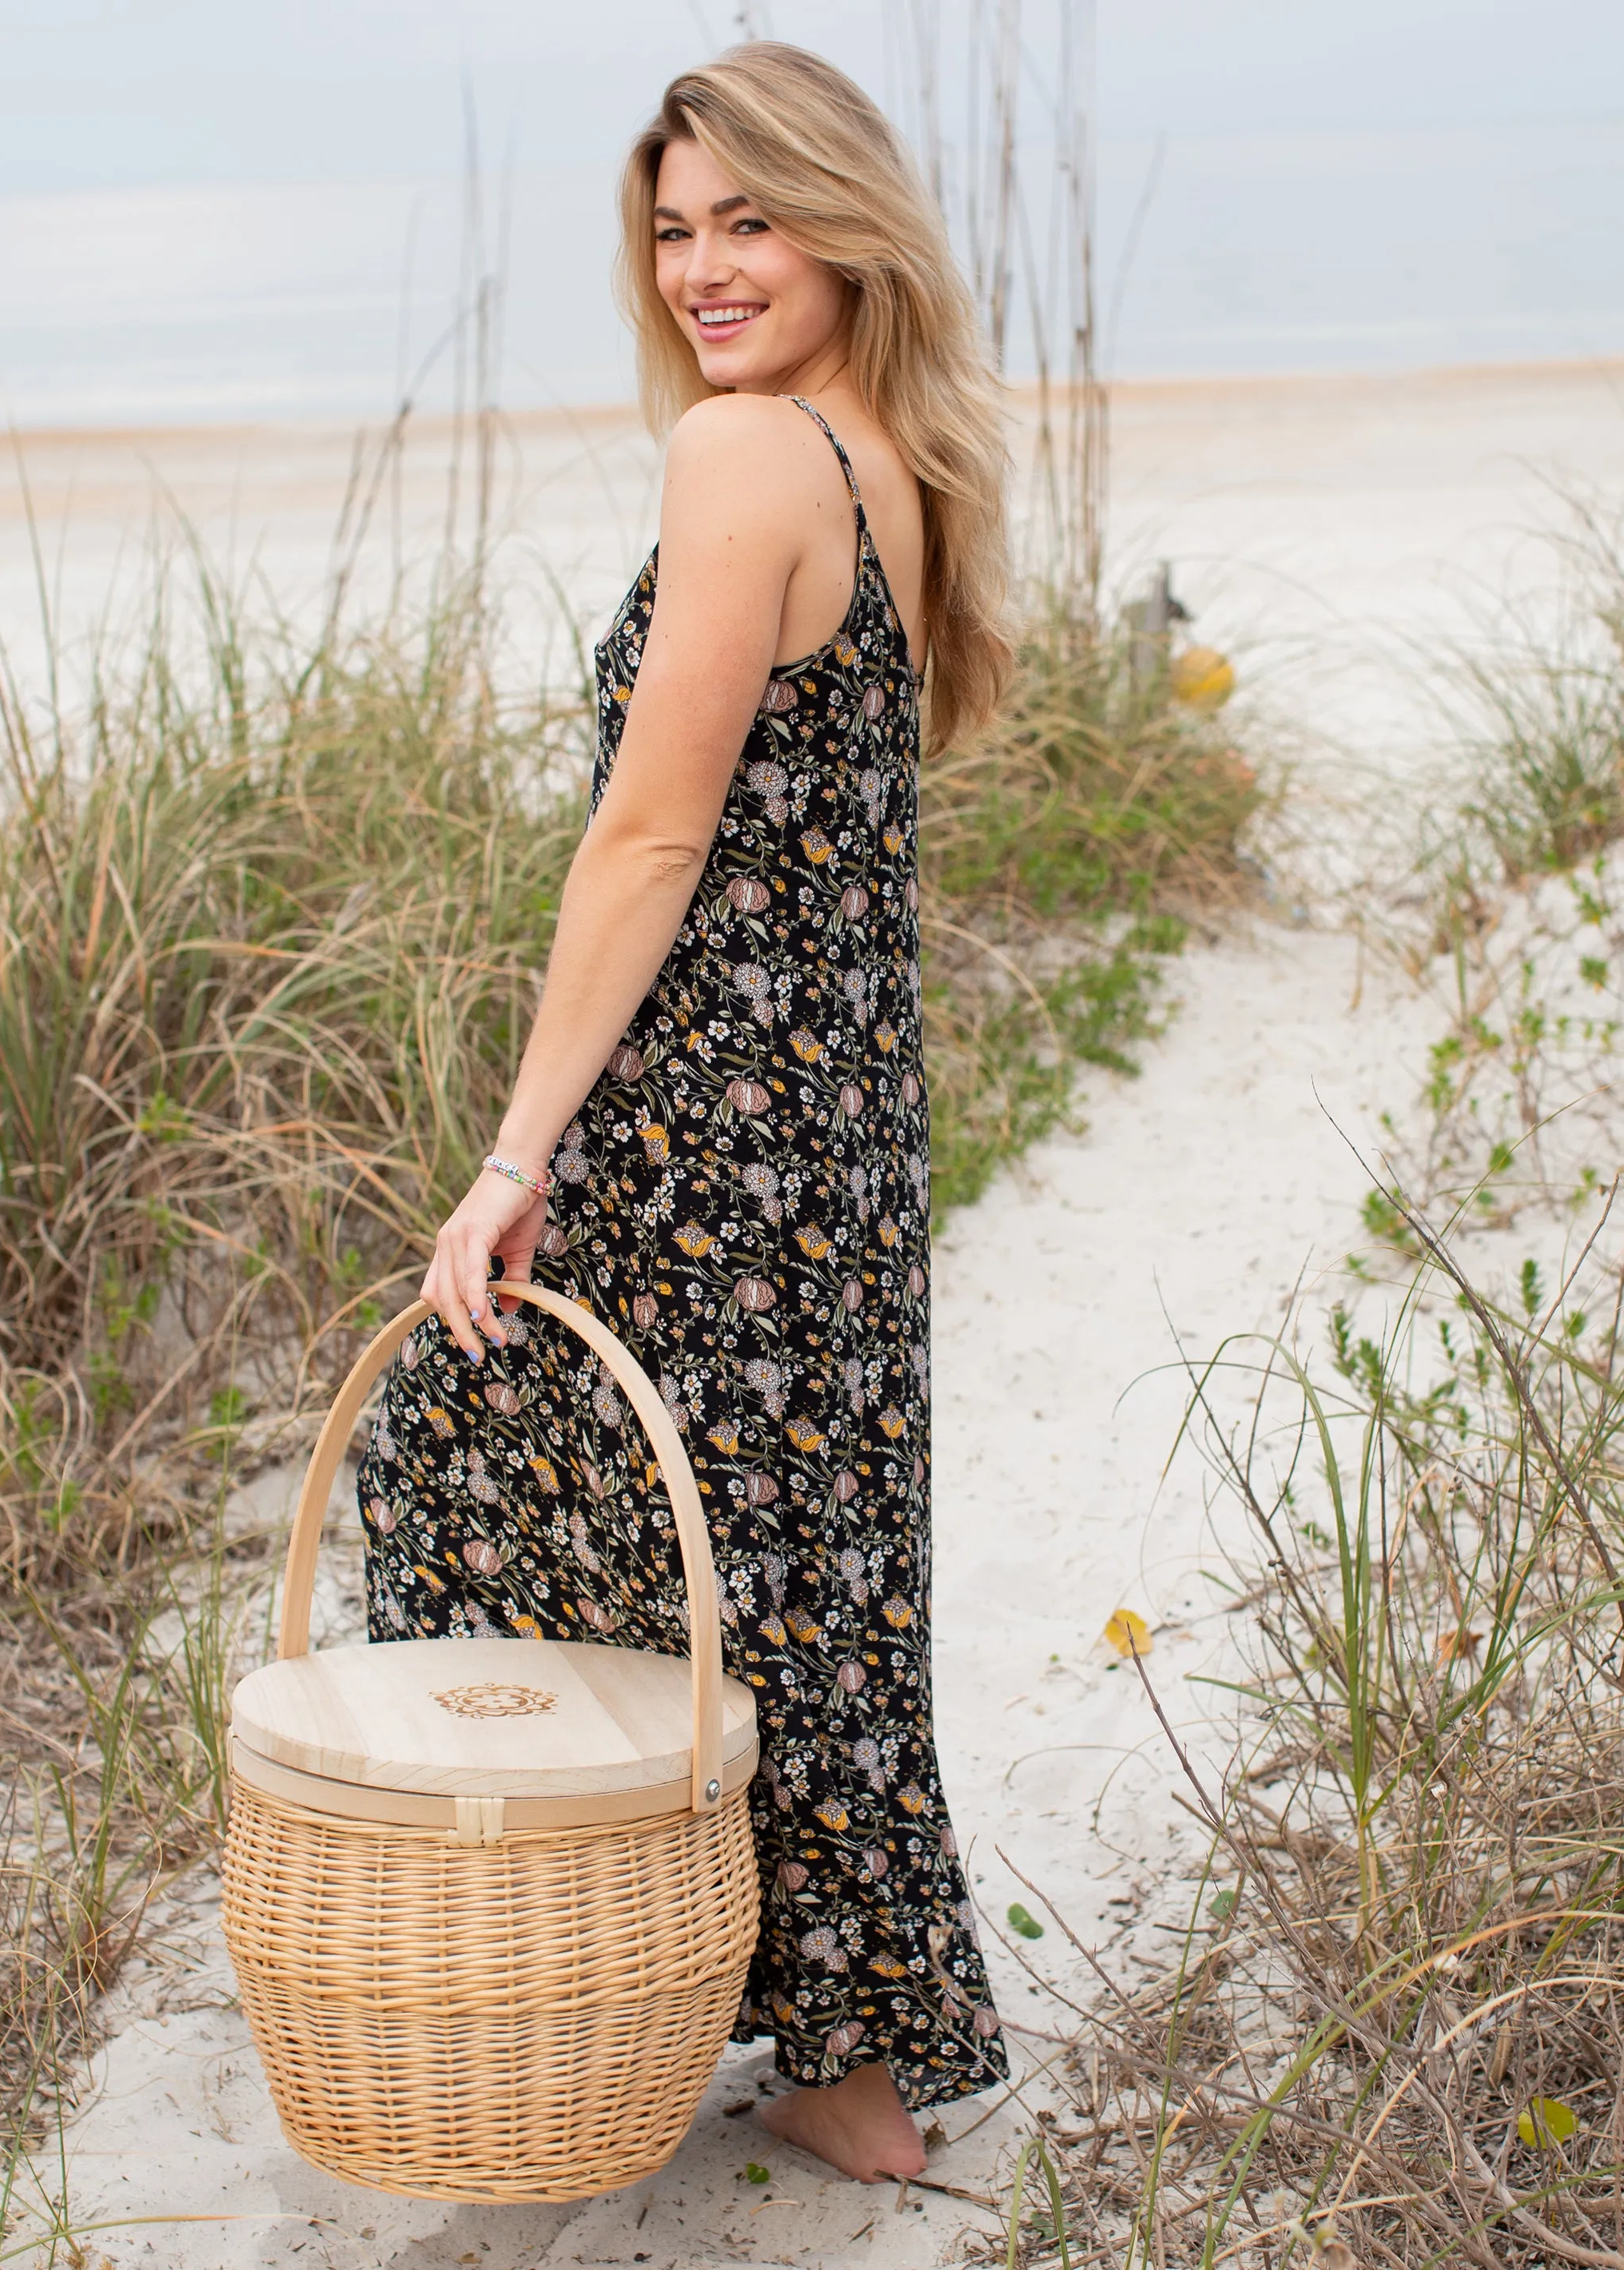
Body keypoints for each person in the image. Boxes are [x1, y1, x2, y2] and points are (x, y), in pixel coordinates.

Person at [357, 40, 1016, 2186]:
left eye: (751, 217)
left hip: (710, 1123)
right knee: (799, 1556)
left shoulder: (746, 461)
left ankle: (561, 1972)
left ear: (845, 219)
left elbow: (651, 839)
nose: (707, 266)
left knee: (479, 1454)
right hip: (831, 1130)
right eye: (674, 227)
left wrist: (512, 1151)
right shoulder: (882, 460)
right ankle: (832, 2041)